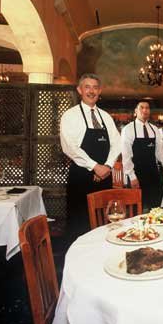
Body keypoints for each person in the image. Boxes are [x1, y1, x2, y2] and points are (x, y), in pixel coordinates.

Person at [60, 73, 121, 237]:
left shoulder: (106, 117)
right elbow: (69, 147)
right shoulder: (70, 116)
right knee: (79, 224)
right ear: (79, 90)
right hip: (81, 177)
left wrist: (107, 166)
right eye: (87, 87)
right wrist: (95, 166)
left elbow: (117, 143)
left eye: (95, 88)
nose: (91, 91)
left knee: (104, 224)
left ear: (99, 91)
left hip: (105, 177)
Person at [121, 101, 163, 210]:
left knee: (155, 208)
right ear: (136, 111)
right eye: (142, 107)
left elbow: (160, 153)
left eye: (147, 108)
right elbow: (126, 157)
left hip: (153, 174)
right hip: (136, 174)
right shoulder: (128, 129)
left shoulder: (154, 129)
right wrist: (132, 177)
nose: (145, 110)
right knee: (136, 210)